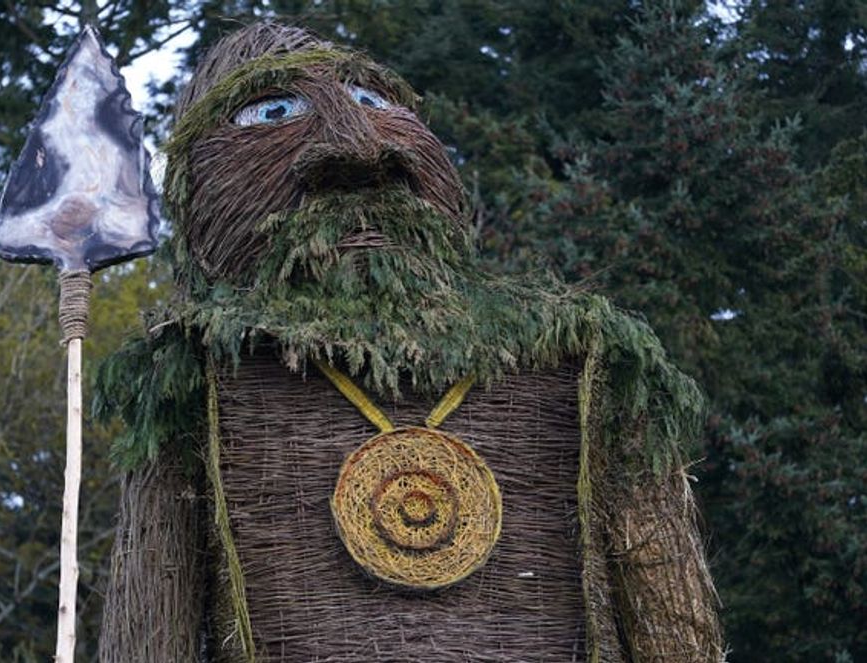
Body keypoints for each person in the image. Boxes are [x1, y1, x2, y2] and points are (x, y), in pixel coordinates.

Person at [97, 21, 723, 663]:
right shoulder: (197, 377)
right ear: (196, 187)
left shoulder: (581, 360)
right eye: (273, 112)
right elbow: (151, 620)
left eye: (372, 103)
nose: (357, 149)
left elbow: (668, 611)